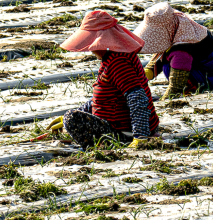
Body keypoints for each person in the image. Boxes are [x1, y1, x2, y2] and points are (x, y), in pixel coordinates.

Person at [46, 10, 160, 149]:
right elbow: (103, 99)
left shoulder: (119, 62)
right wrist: (77, 113)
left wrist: (140, 137)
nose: (91, 50)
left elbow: (137, 96)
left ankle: (108, 145)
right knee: (70, 117)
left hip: (124, 133)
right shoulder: (114, 57)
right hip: (120, 127)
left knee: (72, 118)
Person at [135, 2, 213, 100]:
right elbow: (158, 58)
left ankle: (197, 87)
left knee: (167, 67)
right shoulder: (180, 29)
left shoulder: (182, 49)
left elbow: (175, 86)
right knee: (166, 59)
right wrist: (141, 77)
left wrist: (163, 100)